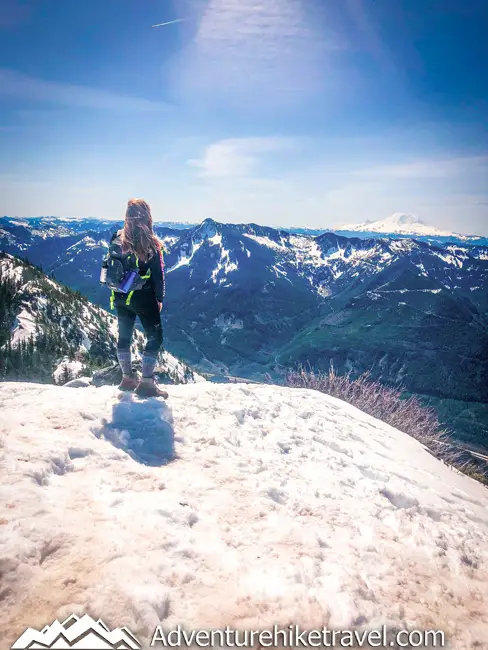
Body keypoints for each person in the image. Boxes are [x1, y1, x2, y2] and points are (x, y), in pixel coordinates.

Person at [110, 198, 168, 398]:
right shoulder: (151, 243)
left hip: (120, 296)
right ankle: (146, 383)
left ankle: (127, 379)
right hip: (144, 298)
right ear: (147, 216)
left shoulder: (117, 238)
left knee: (124, 336)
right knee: (155, 337)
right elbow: (158, 275)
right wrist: (159, 298)